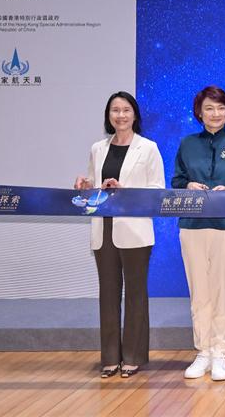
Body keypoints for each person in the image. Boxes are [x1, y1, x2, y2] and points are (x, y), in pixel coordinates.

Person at [75, 91, 165, 379]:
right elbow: (94, 187)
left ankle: (133, 357)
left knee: (135, 294)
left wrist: (124, 190)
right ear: (108, 115)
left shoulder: (148, 148)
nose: (121, 115)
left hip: (134, 229)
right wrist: (86, 185)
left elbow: (158, 191)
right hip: (104, 229)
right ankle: (110, 358)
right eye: (115, 110)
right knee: (108, 295)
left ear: (135, 114)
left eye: (126, 110)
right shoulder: (98, 148)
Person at [172, 85, 225, 381]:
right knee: (199, 291)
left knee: (222, 290)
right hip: (192, 226)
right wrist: (188, 186)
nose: (215, 113)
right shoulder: (187, 144)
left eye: (221, 108)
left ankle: (220, 353)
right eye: (209, 108)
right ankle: (203, 352)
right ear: (199, 112)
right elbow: (177, 181)